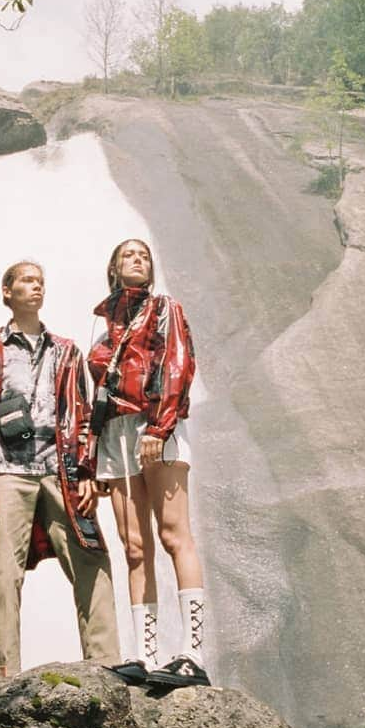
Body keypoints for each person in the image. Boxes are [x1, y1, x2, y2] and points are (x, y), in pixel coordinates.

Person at [0, 260, 120, 679]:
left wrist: (89, 472)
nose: (35, 286)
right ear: (7, 292)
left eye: (40, 281)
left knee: (93, 559)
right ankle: (2, 675)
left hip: (62, 471)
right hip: (6, 471)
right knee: (3, 574)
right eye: (26, 281)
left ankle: (108, 666)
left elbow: (83, 413)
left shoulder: (67, 350)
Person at [88, 238, 210, 687]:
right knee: (135, 548)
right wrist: (91, 456)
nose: (137, 259)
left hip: (157, 426)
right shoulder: (102, 328)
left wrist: (160, 428)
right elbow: (96, 398)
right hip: (117, 437)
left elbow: (179, 364)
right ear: (114, 268)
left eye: (143, 255)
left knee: (174, 534)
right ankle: (144, 654)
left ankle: (193, 654)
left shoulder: (164, 308)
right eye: (127, 255)